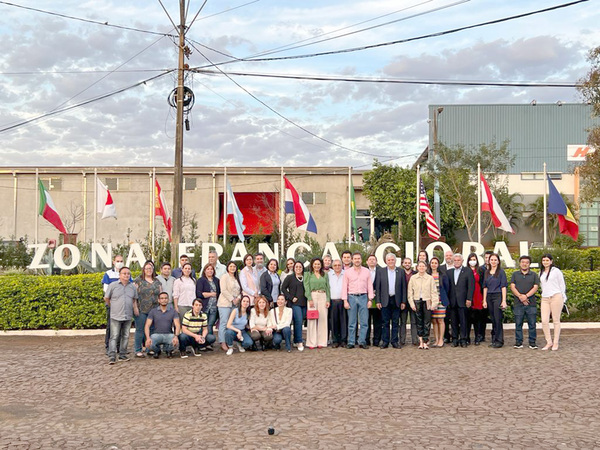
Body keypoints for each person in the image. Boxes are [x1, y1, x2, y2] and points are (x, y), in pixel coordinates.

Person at [104, 266, 139, 364]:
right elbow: (107, 298)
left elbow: (134, 299)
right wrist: (112, 306)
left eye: (128, 274)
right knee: (114, 336)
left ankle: (122, 354)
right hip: (115, 315)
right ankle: (112, 355)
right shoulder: (113, 285)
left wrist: (135, 308)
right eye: (124, 273)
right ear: (119, 275)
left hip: (128, 315)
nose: (126, 275)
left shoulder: (132, 287)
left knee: (126, 335)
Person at [342, 252, 374, 349]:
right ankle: (351, 342)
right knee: (352, 322)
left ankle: (362, 341)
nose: (357, 260)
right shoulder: (347, 272)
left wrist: (370, 299)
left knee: (364, 321)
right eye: (355, 258)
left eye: (358, 258)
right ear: (352, 260)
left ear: (361, 260)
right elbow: (344, 287)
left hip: (363, 297)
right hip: (351, 297)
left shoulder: (366, 271)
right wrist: (345, 300)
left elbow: (369, 286)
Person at [376, 253, 406, 349]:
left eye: (392, 260)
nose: (390, 261)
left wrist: (403, 302)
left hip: (396, 300)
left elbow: (403, 288)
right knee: (385, 323)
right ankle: (385, 342)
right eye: (388, 260)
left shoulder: (401, 271)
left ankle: (394, 341)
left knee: (395, 322)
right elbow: (378, 287)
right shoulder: (381, 271)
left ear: (395, 260)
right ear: (386, 261)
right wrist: (378, 301)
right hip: (385, 300)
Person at [510, 255, 540, 350]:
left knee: (532, 324)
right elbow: (512, 287)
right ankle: (518, 342)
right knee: (518, 324)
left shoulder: (534, 275)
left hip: (531, 304)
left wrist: (526, 296)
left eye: (527, 262)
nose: (524, 264)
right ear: (520, 263)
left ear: (529, 264)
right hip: (518, 303)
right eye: (523, 262)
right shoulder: (515, 274)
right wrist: (520, 296)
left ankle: (532, 343)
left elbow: (535, 287)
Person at [133, 260, 161, 358]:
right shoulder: (138, 281)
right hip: (141, 309)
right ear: (143, 270)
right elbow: (134, 296)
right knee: (140, 330)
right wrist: (135, 307)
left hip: (154, 310)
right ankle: (138, 350)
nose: (149, 270)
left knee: (152, 330)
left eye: (151, 268)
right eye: (147, 268)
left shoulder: (157, 281)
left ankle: (150, 348)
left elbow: (160, 295)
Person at [407, 261, 438, 349]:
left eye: (423, 266)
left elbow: (434, 291)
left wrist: (434, 303)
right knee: (419, 322)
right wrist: (412, 304)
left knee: (427, 322)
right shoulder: (413, 278)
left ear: (426, 267)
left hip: (427, 301)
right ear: (417, 267)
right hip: (417, 301)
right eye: (419, 266)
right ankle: (421, 341)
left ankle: (425, 341)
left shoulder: (430, 278)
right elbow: (410, 293)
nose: (421, 267)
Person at [539, 254, 566, 351]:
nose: (545, 262)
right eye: (543, 260)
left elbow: (562, 284)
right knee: (544, 321)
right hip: (545, 298)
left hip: (556, 297)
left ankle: (555, 342)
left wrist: (563, 298)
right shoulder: (541, 272)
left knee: (556, 320)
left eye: (547, 260)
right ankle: (548, 342)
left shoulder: (556, 271)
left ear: (551, 261)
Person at [447, 253, 475, 347]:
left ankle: (463, 339)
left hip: (463, 301)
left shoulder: (467, 271)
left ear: (462, 261)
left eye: (458, 260)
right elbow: (448, 287)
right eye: (455, 260)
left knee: (463, 321)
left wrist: (469, 299)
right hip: (452, 301)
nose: (457, 262)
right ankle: (455, 339)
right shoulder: (449, 272)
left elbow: (471, 286)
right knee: (454, 321)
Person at [304, 257, 331, 349]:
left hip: (322, 296)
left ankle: (322, 342)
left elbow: (327, 288)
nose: (317, 266)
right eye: (315, 264)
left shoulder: (325, 275)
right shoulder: (308, 274)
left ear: (321, 265)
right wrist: (310, 298)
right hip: (313, 296)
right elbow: (306, 287)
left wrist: (328, 300)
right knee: (312, 319)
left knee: (323, 319)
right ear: (312, 265)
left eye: (318, 264)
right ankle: (312, 342)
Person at [144, 291, 180, 359]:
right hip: (156, 334)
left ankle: (168, 351)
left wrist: (176, 336)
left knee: (176, 343)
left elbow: (177, 325)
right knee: (150, 344)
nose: (164, 300)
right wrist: (148, 338)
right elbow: (147, 325)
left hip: (169, 334)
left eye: (166, 298)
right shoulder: (153, 311)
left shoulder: (173, 311)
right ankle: (157, 351)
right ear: (159, 300)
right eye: (162, 298)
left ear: (168, 300)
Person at [482, 253, 508, 349]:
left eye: (495, 260)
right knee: (492, 318)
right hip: (489, 296)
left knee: (497, 318)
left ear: (498, 261)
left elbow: (503, 286)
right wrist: (484, 300)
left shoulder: (501, 272)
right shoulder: (487, 272)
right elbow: (485, 287)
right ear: (489, 261)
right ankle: (494, 339)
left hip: (498, 296)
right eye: (491, 260)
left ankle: (499, 340)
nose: (493, 262)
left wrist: (504, 300)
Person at [102, 254, 125, 354]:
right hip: (112, 304)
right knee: (110, 326)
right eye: (118, 261)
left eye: (121, 261)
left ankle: (120, 347)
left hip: (123, 305)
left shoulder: (126, 273)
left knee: (122, 326)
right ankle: (109, 346)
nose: (119, 263)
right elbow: (106, 290)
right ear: (113, 262)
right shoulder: (108, 274)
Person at [281, 260, 307, 352]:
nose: (298, 268)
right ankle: (300, 341)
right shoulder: (290, 277)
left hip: (305, 303)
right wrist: (290, 297)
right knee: (299, 321)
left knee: (299, 322)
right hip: (295, 304)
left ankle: (296, 340)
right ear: (294, 268)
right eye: (297, 267)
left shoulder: (305, 277)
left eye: (300, 267)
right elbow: (283, 288)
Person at [217, 261, 242, 351]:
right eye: (231, 266)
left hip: (235, 304)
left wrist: (238, 298)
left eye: (234, 266)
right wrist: (232, 299)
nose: (232, 268)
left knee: (232, 323)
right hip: (225, 303)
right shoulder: (224, 277)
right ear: (227, 267)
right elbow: (223, 290)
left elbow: (240, 290)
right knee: (224, 323)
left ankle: (229, 341)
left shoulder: (236, 278)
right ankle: (222, 342)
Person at [196, 263, 221, 340]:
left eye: (211, 269)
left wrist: (206, 294)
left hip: (214, 307)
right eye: (208, 269)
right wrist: (211, 294)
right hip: (204, 307)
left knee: (210, 325)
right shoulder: (201, 280)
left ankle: (209, 341)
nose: (210, 271)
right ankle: (201, 341)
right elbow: (199, 294)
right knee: (203, 325)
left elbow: (219, 293)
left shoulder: (217, 280)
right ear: (205, 270)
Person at [466, 253, 486, 345]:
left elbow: (483, 284)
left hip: (478, 295)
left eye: (474, 259)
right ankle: (467, 337)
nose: (472, 261)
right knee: (468, 318)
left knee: (478, 318)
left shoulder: (480, 270)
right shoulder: (465, 270)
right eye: (471, 259)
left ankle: (478, 337)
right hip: (468, 296)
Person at [429, 257, 449, 348]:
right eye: (432, 263)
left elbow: (446, 288)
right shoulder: (427, 275)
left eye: (435, 263)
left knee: (440, 320)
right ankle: (436, 339)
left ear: (438, 264)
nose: (433, 264)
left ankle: (441, 339)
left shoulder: (442, 275)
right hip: (431, 301)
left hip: (441, 301)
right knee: (434, 321)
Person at [328, 259, 347, 348]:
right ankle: (335, 340)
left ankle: (343, 340)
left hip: (343, 300)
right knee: (334, 321)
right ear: (332, 266)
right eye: (335, 265)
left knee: (344, 321)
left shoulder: (346, 274)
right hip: (333, 301)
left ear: (342, 265)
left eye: (339, 265)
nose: (337, 267)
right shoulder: (328, 275)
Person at [399, 257, 418, 347]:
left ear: (411, 264)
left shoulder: (415, 274)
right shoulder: (399, 273)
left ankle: (415, 339)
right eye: (405, 262)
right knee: (403, 321)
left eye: (409, 263)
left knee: (414, 321)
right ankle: (402, 340)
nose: (407, 264)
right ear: (403, 264)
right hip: (403, 301)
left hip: (413, 300)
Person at [366, 254, 381, 347]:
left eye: (373, 259)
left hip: (377, 299)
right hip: (366, 299)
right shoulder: (363, 271)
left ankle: (376, 340)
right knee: (366, 321)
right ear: (367, 262)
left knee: (377, 321)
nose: (372, 261)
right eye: (370, 259)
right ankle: (366, 339)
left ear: (376, 262)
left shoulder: (381, 271)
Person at [439, 250, 454, 343]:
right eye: (447, 255)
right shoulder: (440, 268)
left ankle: (456, 335)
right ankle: (446, 336)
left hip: (455, 296)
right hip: (444, 296)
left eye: (450, 255)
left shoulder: (458, 267)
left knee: (455, 317)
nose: (448, 257)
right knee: (445, 317)